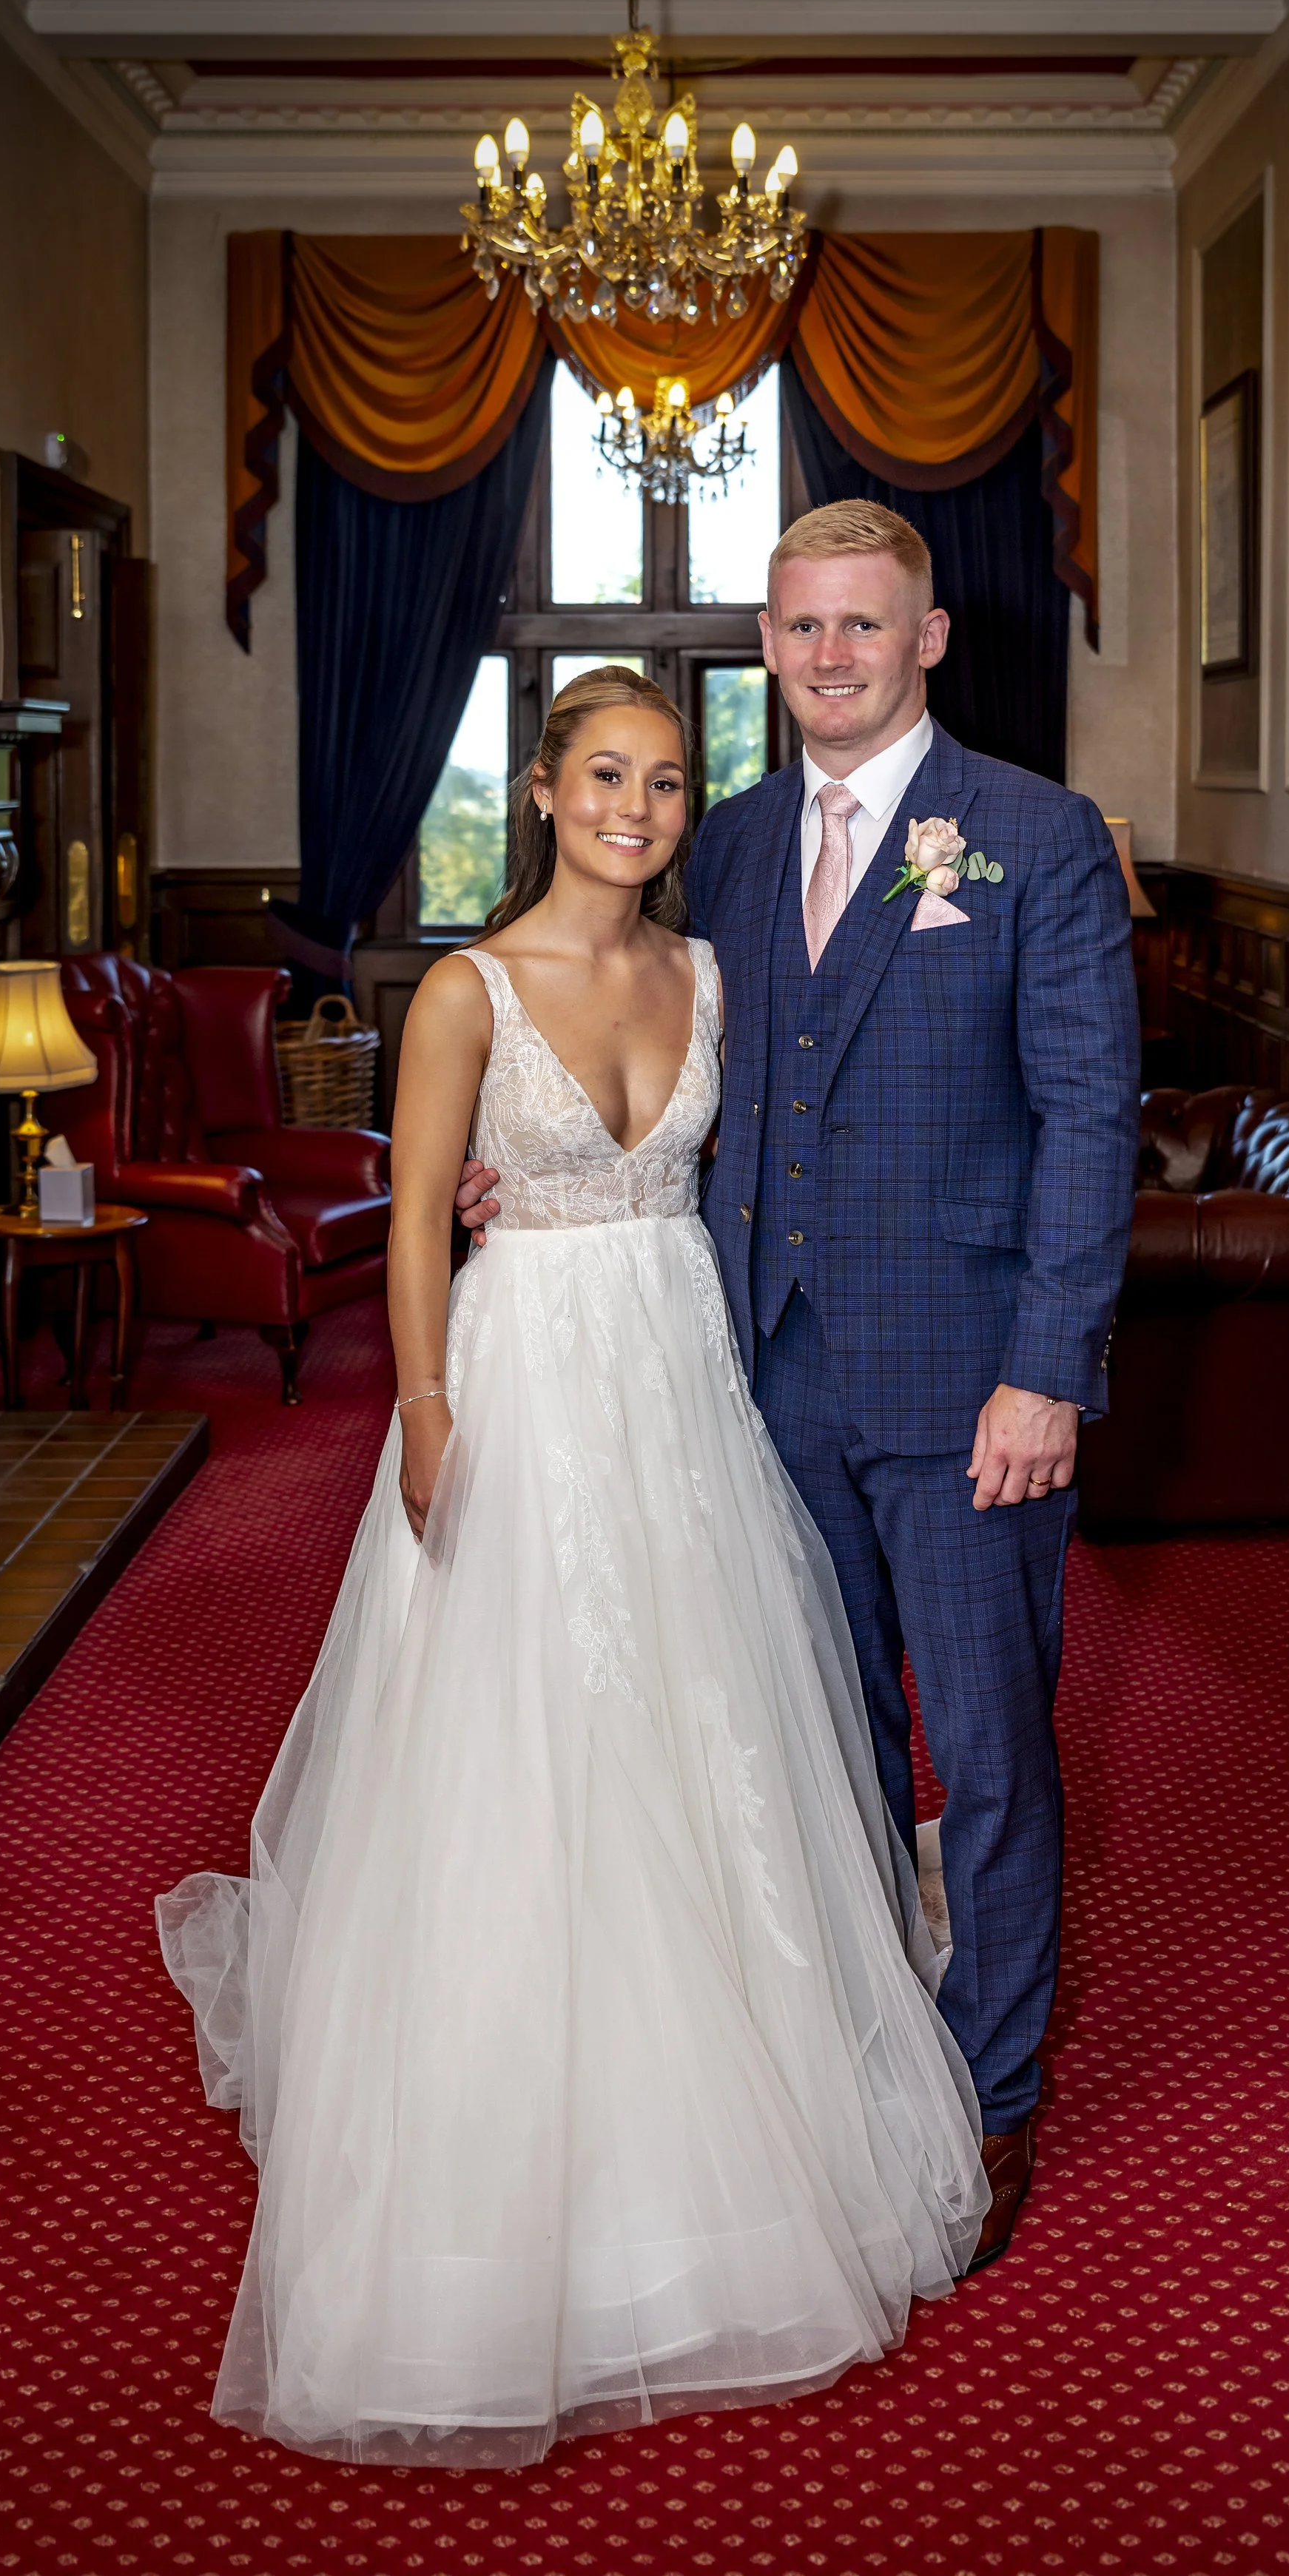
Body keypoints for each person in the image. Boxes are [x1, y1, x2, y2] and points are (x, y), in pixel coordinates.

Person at [156, 667, 989, 2470]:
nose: (637, 804)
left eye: (670, 781)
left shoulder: (710, 977)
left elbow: (782, 1156)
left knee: (701, 1732)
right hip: (521, 1374)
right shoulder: (460, 990)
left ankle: (718, 2125)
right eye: (604, 773)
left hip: (681, 1378)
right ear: (540, 789)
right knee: (517, 1735)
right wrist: (431, 1407)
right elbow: (413, 1209)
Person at [460, 502, 1140, 2271]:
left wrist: (1045, 1373)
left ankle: (985, 2098)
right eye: (796, 627)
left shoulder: (1031, 839)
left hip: (971, 1391)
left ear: (923, 639)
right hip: (754, 1378)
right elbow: (699, 1088)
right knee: (812, 1739)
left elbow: (1086, 1120)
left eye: (861, 625)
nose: (825, 656)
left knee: (982, 1759)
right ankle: (856, 2055)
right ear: (766, 643)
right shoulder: (733, 848)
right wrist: (523, 1179)